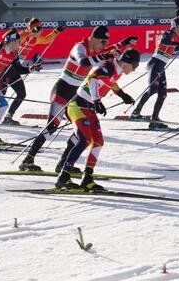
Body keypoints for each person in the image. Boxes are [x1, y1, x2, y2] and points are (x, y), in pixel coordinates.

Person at [18, 25, 137, 172]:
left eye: (105, 43)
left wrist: (124, 43)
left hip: (76, 95)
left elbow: (108, 54)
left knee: (80, 132)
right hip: (62, 89)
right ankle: (28, 160)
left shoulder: (97, 50)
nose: (104, 46)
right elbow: (83, 62)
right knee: (52, 125)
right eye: (103, 42)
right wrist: (104, 55)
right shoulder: (79, 47)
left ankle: (63, 163)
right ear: (94, 38)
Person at [53, 49, 141, 191]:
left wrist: (122, 95)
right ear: (127, 62)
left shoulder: (117, 70)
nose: (134, 69)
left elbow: (111, 82)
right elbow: (93, 78)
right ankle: (63, 177)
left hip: (89, 108)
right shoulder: (110, 67)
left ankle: (87, 178)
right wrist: (97, 100)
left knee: (98, 142)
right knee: (84, 140)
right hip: (77, 105)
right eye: (135, 66)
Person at [130, 16, 179, 129]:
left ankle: (154, 119)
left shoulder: (172, 36)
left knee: (163, 94)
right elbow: (164, 42)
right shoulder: (167, 33)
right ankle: (135, 113)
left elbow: (172, 48)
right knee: (152, 90)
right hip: (156, 64)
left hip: (160, 67)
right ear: (177, 27)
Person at [0, 17, 64, 126]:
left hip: (17, 67)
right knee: (0, 93)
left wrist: (56, 31)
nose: (42, 29)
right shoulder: (23, 35)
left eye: (41, 27)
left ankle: (8, 117)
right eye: (40, 27)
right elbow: (21, 37)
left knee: (21, 94)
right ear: (33, 28)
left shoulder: (36, 38)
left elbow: (47, 40)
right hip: (8, 66)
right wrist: (31, 32)